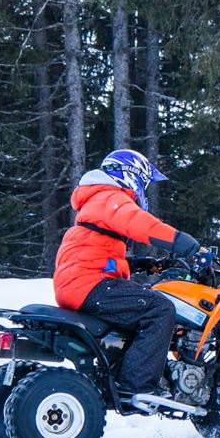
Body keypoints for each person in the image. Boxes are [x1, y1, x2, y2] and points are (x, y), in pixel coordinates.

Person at [53, 149, 202, 395]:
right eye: (144, 182)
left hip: (80, 283)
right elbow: (142, 224)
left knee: (142, 300)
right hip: (90, 285)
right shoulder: (111, 196)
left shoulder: (97, 200)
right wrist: (187, 244)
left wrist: (141, 263)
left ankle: (130, 370)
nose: (144, 189)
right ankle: (135, 386)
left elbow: (96, 254)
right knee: (160, 309)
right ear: (130, 175)